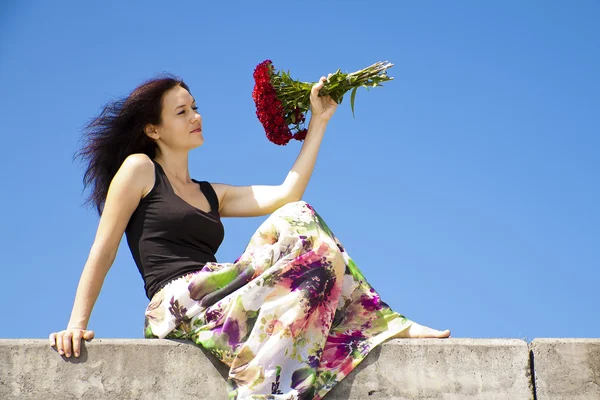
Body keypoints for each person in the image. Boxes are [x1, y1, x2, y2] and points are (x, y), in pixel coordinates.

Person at [49, 73, 451, 399]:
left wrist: (319, 121)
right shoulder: (139, 169)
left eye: (196, 107)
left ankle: (278, 384)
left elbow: (286, 193)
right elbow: (103, 249)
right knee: (296, 223)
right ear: (153, 129)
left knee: (304, 227)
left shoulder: (211, 193)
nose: (195, 116)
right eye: (182, 112)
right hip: (177, 303)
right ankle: (381, 323)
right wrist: (75, 323)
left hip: (221, 301)